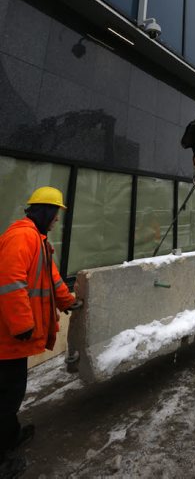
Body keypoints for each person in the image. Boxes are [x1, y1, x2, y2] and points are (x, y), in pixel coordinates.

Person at [0, 187, 83, 478]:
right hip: (7, 337)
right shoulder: (22, 237)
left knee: (12, 393)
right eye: (56, 213)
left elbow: (52, 278)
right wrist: (23, 325)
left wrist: (69, 301)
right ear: (45, 211)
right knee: (6, 397)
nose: (57, 220)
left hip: (13, 340)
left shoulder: (38, 240)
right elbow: (9, 283)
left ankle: (11, 437)